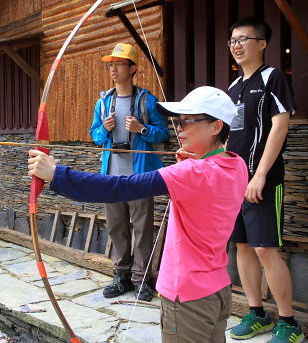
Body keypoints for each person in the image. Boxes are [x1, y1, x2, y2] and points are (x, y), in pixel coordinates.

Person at [30, 86, 248, 343]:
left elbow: (121, 187)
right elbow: (205, 192)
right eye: (177, 121)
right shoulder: (236, 163)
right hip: (218, 290)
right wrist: (191, 163)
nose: (178, 128)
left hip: (187, 296)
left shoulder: (191, 173)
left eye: (187, 121)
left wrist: (56, 174)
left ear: (216, 127)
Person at [225, 18, 303, 343]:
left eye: (244, 39)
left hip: (263, 180)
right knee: (241, 245)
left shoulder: (273, 78)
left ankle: (289, 323)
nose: (237, 45)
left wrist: (259, 175)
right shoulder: (231, 88)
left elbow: (280, 126)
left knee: (265, 248)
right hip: (234, 181)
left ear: (262, 44)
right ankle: (257, 313)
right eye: (232, 40)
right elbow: (227, 137)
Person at [89, 43, 170, 301]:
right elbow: (95, 136)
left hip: (140, 176)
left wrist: (141, 129)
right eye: (110, 64)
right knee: (117, 227)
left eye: (119, 63)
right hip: (111, 175)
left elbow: (163, 132)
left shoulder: (147, 100)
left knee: (142, 228)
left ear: (132, 68)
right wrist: (105, 128)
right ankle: (121, 275)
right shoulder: (103, 102)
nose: (113, 68)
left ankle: (143, 279)